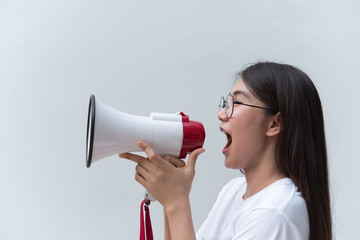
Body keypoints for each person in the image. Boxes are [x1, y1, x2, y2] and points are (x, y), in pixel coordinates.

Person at [119, 61, 332, 240]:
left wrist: (177, 203)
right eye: (226, 103)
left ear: (274, 124)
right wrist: (169, 199)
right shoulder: (234, 192)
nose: (222, 114)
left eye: (236, 103)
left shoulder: (274, 212)